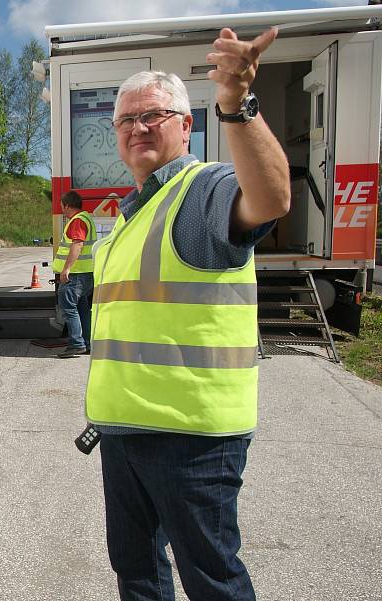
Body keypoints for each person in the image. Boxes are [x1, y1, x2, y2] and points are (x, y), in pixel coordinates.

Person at [86, 28, 290, 600]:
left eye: (154, 115)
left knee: (211, 581)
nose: (138, 128)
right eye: (126, 120)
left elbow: (271, 200)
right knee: (138, 573)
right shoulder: (129, 213)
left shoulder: (206, 189)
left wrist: (237, 105)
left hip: (191, 438)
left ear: (186, 125)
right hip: (124, 433)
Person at [52, 190, 97, 358]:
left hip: (75, 275)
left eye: (62, 206)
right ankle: (86, 343)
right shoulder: (86, 218)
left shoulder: (77, 221)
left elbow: (77, 244)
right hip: (86, 274)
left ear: (67, 205)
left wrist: (66, 269)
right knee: (83, 309)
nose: (62, 209)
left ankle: (77, 344)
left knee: (69, 308)